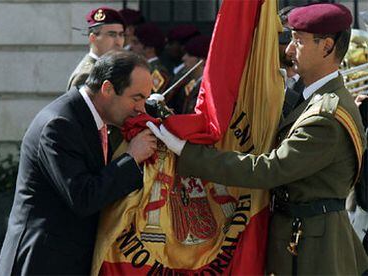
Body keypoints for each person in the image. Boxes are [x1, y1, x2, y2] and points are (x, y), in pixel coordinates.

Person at [147, 3, 368, 275]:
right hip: (299, 234)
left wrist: (186, 151)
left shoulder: (325, 115)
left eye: (298, 41)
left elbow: (270, 170)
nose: (288, 50)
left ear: (327, 47)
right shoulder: (312, 99)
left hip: (315, 248)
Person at [0, 50, 157, 276]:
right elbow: (83, 197)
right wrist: (132, 158)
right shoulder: (60, 124)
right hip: (43, 263)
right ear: (107, 89)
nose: (141, 108)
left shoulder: (91, 119)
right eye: (136, 98)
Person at [67, 7, 125, 90]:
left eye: (121, 35)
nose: (118, 41)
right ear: (93, 38)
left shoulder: (110, 66)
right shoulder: (86, 75)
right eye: (111, 34)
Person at [169, 34, 210, 114]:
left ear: (202, 60)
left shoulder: (207, 89)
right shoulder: (190, 83)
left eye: (190, 55)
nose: (183, 58)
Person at [130, 22, 171, 94]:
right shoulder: (143, 67)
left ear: (150, 48)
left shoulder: (158, 71)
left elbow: (153, 98)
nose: (131, 46)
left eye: (136, 43)